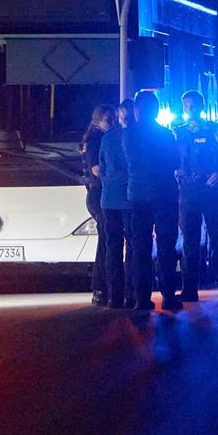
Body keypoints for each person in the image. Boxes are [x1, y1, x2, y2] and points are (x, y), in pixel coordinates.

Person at [173, 90, 218, 302]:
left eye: (194, 105)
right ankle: (189, 289)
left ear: (201, 107)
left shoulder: (215, 130)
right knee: (189, 242)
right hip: (188, 191)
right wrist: (174, 170)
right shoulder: (177, 132)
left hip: (211, 189)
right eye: (186, 105)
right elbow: (168, 157)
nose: (190, 109)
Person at [123, 90, 182, 312]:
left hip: (137, 195)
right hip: (165, 194)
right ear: (156, 110)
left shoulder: (128, 134)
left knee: (140, 247)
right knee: (166, 246)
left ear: (137, 109)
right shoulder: (165, 134)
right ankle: (168, 296)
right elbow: (175, 161)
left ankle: (141, 298)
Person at [98, 99, 135, 308]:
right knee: (132, 246)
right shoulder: (136, 137)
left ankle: (114, 295)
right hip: (130, 199)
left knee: (112, 247)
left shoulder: (107, 138)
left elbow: (102, 167)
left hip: (108, 199)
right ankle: (131, 294)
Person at [82, 104, 117, 306]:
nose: (112, 124)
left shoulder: (95, 138)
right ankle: (100, 287)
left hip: (97, 194)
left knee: (106, 241)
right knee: (105, 242)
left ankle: (102, 288)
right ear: (97, 121)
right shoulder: (96, 139)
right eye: (108, 120)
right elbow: (96, 169)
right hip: (99, 194)